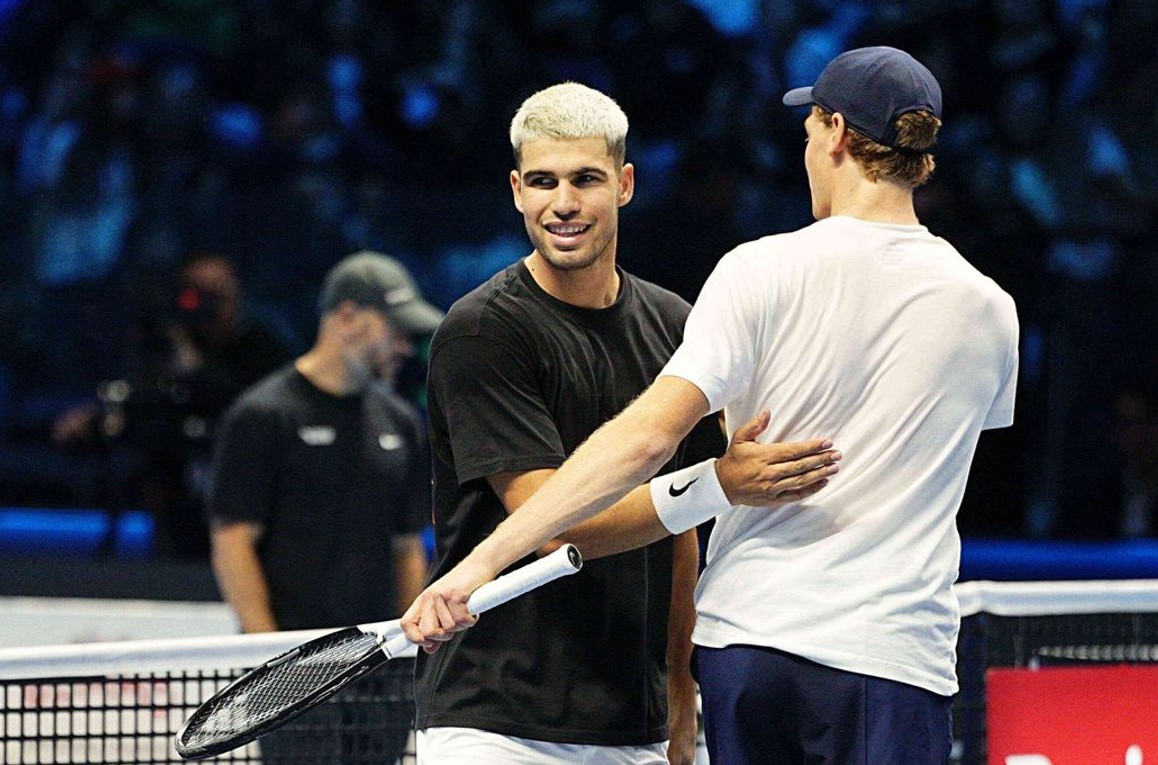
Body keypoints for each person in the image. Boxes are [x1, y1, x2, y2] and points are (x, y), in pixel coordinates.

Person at [403, 48, 1019, 765]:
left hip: (747, 649)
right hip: (888, 654)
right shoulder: (989, 308)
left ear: (836, 133)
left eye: (810, 131)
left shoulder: (755, 271)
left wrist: (479, 565)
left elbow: (645, 443)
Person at [410, 82, 840, 765]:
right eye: (544, 182)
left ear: (626, 184)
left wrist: (676, 695)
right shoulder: (481, 330)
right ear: (518, 190)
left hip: (632, 726)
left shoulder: (677, 323)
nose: (564, 203)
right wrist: (715, 485)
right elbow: (550, 521)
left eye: (586, 179)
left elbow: (680, 543)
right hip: (493, 721)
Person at [207, 251, 444, 764]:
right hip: (295, 676)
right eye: (396, 330)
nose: (405, 345)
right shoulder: (263, 415)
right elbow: (232, 544)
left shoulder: (402, 424)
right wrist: (270, 662)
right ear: (347, 318)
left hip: (380, 674)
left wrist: (410, 652)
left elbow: (406, 547)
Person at [51, 251, 294, 558]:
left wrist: (194, 369)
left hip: (246, 496)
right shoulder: (164, 345)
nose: (203, 306)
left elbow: (245, 405)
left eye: (214, 296)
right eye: (195, 294)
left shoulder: (261, 347)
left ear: (236, 298)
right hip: (174, 493)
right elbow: (143, 400)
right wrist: (98, 417)